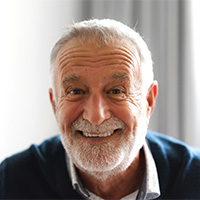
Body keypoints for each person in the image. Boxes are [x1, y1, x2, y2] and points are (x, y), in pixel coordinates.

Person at [0, 19, 200, 200]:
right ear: (55, 104)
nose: (96, 117)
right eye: (76, 91)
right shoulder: (12, 180)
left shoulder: (194, 176)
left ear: (148, 101)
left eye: (116, 91)